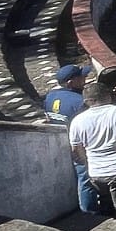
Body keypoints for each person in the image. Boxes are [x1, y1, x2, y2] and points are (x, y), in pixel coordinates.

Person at [69, 76, 116, 220]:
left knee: (106, 205)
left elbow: (75, 149)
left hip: (96, 173)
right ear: (108, 95)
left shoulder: (77, 121)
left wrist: (87, 163)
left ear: (86, 101)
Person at [43, 64, 97, 214]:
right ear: (70, 82)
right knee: (86, 179)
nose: (85, 79)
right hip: (79, 145)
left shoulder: (50, 96)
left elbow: (47, 117)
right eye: (81, 77)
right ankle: (89, 212)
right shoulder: (80, 101)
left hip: (60, 142)